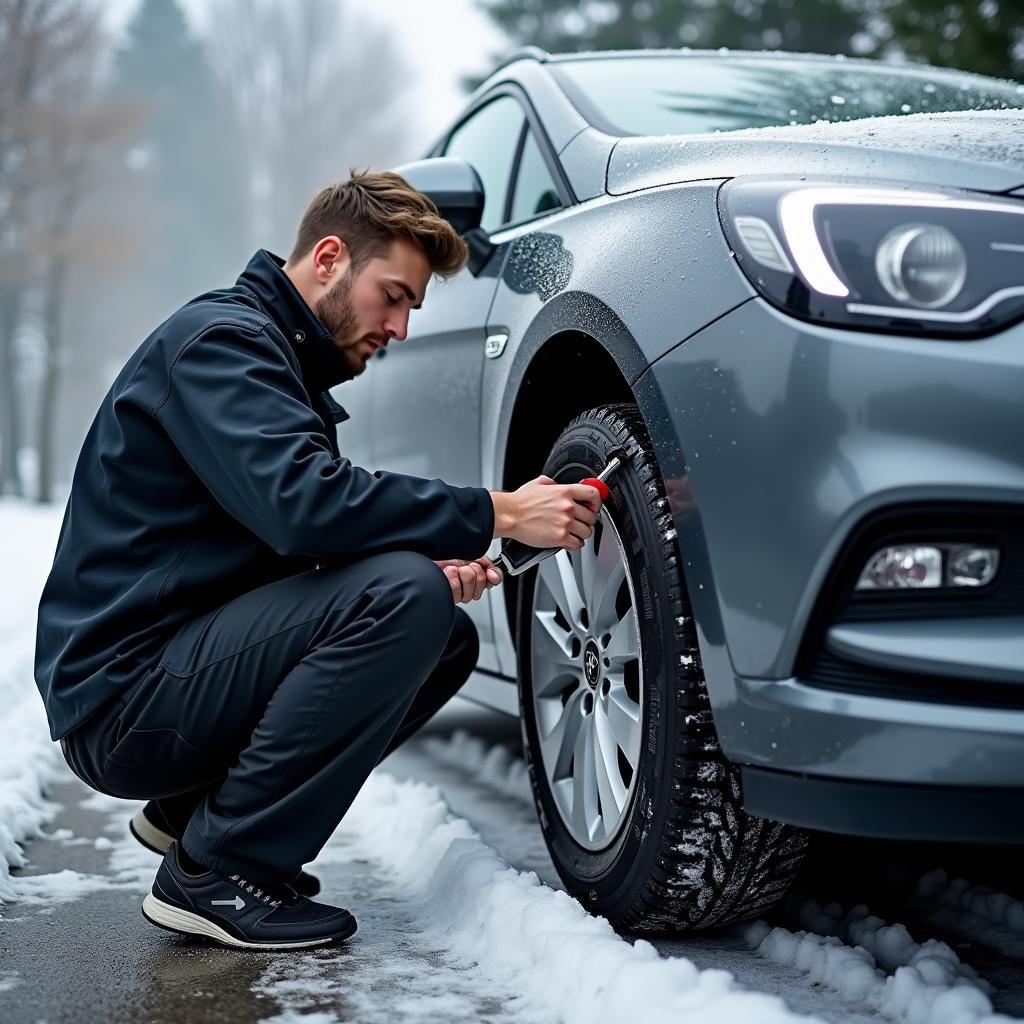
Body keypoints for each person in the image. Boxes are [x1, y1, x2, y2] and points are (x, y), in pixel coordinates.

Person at [33, 167, 603, 951]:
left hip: (169, 670)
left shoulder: (277, 363)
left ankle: (195, 814)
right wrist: (497, 512)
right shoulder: (223, 344)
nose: (400, 329)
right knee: (403, 598)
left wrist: (412, 581)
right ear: (329, 258)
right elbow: (306, 506)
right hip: (125, 698)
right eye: (395, 296)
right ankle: (221, 870)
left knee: (439, 631)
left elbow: (282, 547)